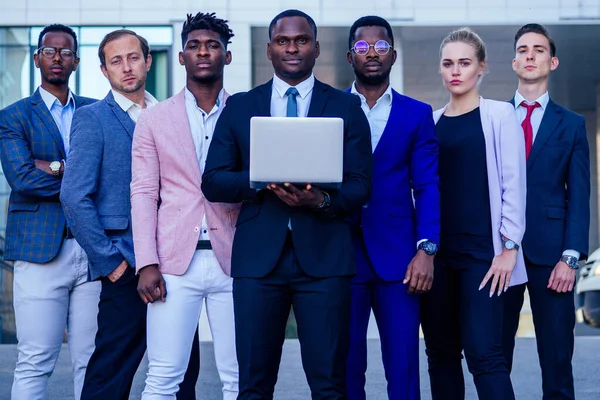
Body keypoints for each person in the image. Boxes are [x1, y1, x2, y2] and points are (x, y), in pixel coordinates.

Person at [201, 9, 372, 399]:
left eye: (301, 41)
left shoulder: (346, 108)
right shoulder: (241, 106)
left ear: (315, 48)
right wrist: (259, 178)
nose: (292, 48)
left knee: (330, 384)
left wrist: (322, 199)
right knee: (254, 386)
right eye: (283, 41)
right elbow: (212, 181)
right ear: (269, 50)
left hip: (325, 261)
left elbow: (362, 185)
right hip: (259, 263)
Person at [60, 29, 200, 400]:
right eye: (116, 61)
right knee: (111, 372)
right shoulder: (92, 118)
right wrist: (112, 265)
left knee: (184, 372)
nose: (126, 67)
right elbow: (74, 196)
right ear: (104, 71)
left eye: (134, 57)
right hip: (125, 266)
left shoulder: (172, 114)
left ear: (149, 61)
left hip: (176, 263)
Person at [131, 12, 239, 399]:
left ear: (227, 56)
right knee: (162, 378)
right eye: (194, 46)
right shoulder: (154, 119)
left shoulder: (245, 112)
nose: (203, 52)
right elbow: (143, 193)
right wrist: (146, 263)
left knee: (241, 379)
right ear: (181, 57)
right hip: (173, 265)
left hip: (236, 261)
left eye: (212, 45)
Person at [420, 28, 527, 400]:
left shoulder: (499, 115)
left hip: (485, 257)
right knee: (441, 354)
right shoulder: (429, 122)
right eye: (448, 63)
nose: (455, 71)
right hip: (438, 258)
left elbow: (514, 184)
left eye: (464, 63)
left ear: (481, 67)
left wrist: (510, 247)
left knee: (485, 355)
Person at [0, 24, 99, 400]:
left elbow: (109, 176)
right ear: (38, 56)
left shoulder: (95, 111)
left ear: (76, 60)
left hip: (92, 253)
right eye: (50, 50)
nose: (58, 57)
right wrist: (77, 175)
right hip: (40, 252)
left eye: (66, 52)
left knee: (91, 359)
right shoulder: (13, 116)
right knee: (36, 357)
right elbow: (23, 178)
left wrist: (54, 166)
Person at [344, 15, 439, 400]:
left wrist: (426, 248)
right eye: (363, 47)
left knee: (403, 369)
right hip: (341, 255)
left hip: (400, 259)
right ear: (350, 55)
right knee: (346, 367)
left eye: (380, 46)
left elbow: (428, 185)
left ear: (393, 55)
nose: (372, 53)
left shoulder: (416, 113)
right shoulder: (328, 108)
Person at [502, 23, 590, 400]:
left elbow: (580, 196)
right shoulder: (492, 117)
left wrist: (570, 259)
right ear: (513, 62)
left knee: (556, 360)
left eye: (539, 49)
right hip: (498, 256)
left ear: (552, 61)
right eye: (523, 49)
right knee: (493, 357)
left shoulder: (572, 124)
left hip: (552, 256)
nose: (530, 55)